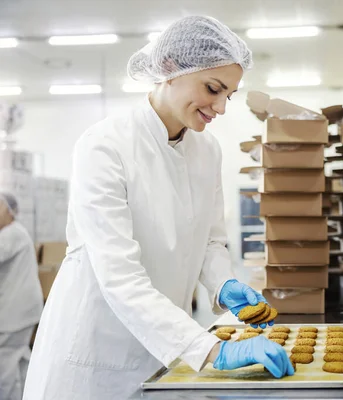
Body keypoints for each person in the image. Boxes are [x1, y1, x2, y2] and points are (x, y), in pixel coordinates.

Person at [23, 16, 293, 400]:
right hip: (93, 359)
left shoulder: (206, 150)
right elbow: (119, 276)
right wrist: (211, 349)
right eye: (213, 88)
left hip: (164, 350)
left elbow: (210, 242)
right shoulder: (104, 146)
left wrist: (224, 284)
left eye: (228, 95)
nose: (220, 107)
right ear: (169, 69)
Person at [0, 192, 43, 400]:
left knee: (4, 363)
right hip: (24, 310)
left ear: (10, 211)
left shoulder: (11, 234)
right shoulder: (15, 233)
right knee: (21, 359)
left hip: (15, 313)